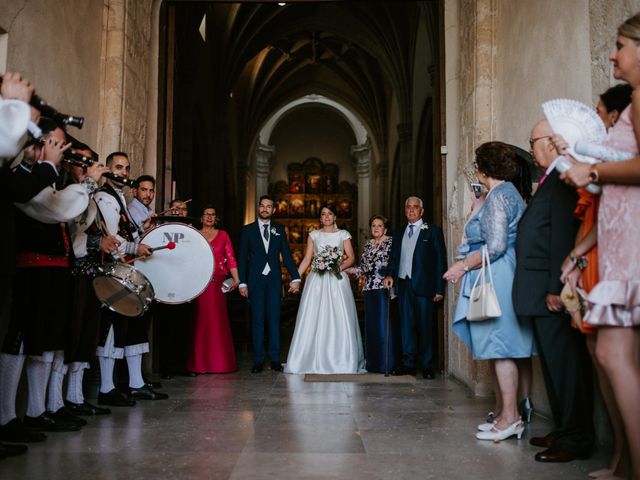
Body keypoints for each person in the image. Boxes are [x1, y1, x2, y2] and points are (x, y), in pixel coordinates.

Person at [559, 16, 640, 475]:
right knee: (613, 353)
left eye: (621, 45)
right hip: (617, 238)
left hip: (630, 239)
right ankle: (625, 463)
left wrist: (594, 171)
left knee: (611, 353)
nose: (613, 55)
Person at [513, 119, 594, 463]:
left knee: (566, 365)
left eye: (532, 141)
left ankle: (576, 437)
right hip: (539, 290)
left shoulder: (561, 182)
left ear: (549, 142)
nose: (530, 148)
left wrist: (554, 288)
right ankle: (563, 429)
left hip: (552, 290)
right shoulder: (548, 180)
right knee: (552, 365)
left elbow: (561, 236)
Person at [443, 142, 533, 442]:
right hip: (502, 272)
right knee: (499, 345)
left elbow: (495, 246)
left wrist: (461, 267)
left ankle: (510, 418)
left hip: (498, 274)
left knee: (501, 344)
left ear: (484, 168)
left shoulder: (499, 196)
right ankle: (504, 412)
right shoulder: (504, 194)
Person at [93, 152, 167, 404]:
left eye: (126, 168)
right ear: (107, 169)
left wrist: (141, 233)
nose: (123, 172)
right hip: (110, 271)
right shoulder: (104, 196)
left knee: (129, 327)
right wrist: (135, 248)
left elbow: (127, 233)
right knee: (111, 329)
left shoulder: (120, 199)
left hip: (123, 271)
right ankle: (106, 388)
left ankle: (134, 383)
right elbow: (112, 238)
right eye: (118, 167)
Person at [284, 205, 365, 374]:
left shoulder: (343, 234)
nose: (327, 216)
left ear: (335, 217)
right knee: (314, 316)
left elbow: (351, 258)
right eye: (323, 214)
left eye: (330, 214)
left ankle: (341, 360)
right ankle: (308, 359)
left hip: (337, 280)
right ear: (320, 218)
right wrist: (296, 279)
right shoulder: (314, 235)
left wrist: (337, 267)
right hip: (317, 281)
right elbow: (307, 259)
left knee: (338, 315)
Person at [383, 196, 446, 379]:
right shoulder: (399, 232)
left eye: (415, 207)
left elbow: (440, 260)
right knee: (406, 325)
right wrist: (389, 274)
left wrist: (439, 289)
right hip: (403, 284)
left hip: (424, 286)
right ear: (405, 210)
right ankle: (409, 364)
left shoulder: (432, 231)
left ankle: (426, 365)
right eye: (408, 207)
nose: (411, 210)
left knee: (425, 326)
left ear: (422, 211)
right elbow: (393, 258)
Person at [238, 195, 301, 373]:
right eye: (262, 206)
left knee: (274, 320)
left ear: (274, 210)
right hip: (255, 281)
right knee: (257, 321)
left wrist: (295, 277)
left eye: (269, 207)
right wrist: (242, 282)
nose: (265, 209)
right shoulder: (247, 230)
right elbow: (242, 258)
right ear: (258, 208)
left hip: (274, 281)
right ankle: (258, 360)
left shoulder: (279, 229)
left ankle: (274, 359)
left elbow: (287, 256)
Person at [187, 205, 240, 373]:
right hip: (199, 283)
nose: (209, 217)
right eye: (206, 214)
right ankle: (199, 364)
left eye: (213, 215)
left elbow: (230, 258)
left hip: (217, 283)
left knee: (217, 321)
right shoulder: (194, 235)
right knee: (200, 321)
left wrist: (237, 279)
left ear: (216, 218)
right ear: (201, 218)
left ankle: (221, 363)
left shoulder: (223, 235)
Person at [346, 215, 399, 373]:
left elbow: (395, 263)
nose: (376, 228)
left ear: (385, 228)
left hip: (384, 288)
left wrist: (390, 276)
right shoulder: (368, 244)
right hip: (369, 289)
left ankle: (386, 364)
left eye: (380, 225)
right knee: (372, 327)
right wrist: (345, 268)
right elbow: (363, 268)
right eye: (373, 225)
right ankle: (374, 364)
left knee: (384, 326)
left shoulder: (391, 242)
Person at [157, 198, 195, 378]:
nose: (180, 212)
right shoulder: (161, 229)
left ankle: (181, 366)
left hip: (186, 285)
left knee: (184, 327)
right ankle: (166, 367)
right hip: (166, 284)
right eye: (176, 209)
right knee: (166, 327)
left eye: (183, 209)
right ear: (170, 210)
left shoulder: (193, 232)